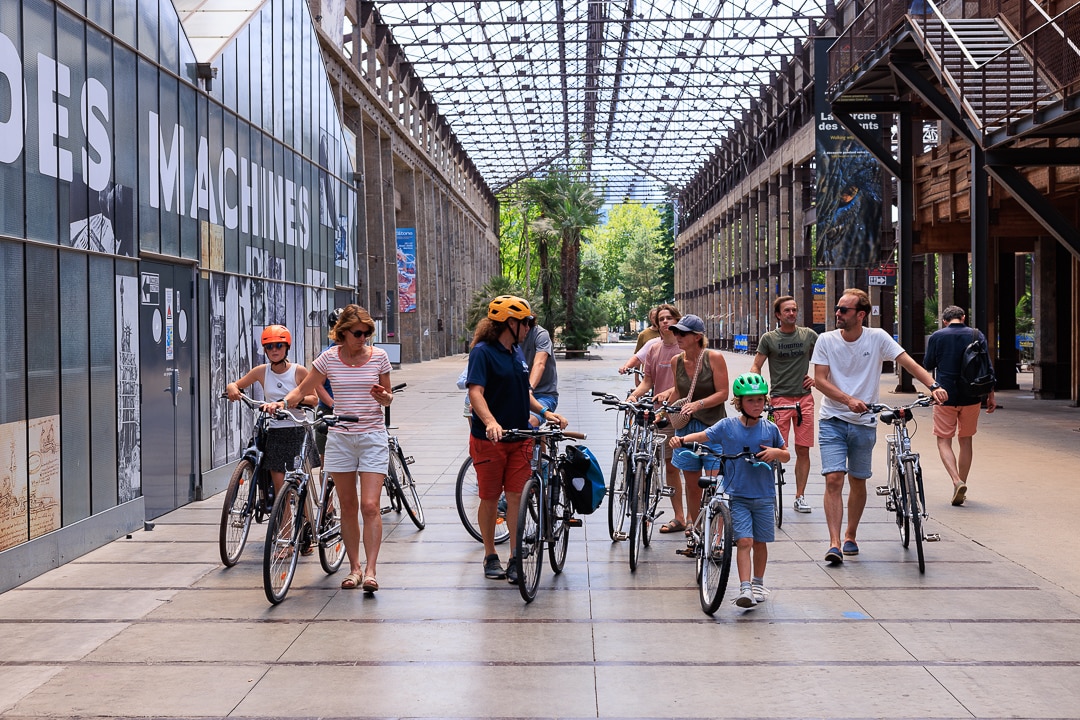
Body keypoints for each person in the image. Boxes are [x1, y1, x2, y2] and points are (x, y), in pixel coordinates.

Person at [811, 288, 948, 564]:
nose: (837, 313)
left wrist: (933, 386)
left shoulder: (877, 338)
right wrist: (848, 400)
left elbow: (908, 363)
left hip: (864, 422)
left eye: (844, 310)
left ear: (861, 315)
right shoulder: (825, 340)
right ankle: (834, 543)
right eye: (838, 309)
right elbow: (821, 380)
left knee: (858, 479)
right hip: (833, 419)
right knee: (834, 479)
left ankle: (851, 535)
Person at [282, 304, 394, 593]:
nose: (364, 338)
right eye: (358, 333)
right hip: (341, 438)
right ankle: (354, 568)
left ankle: (371, 570)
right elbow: (302, 389)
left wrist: (384, 397)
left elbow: (388, 398)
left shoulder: (379, 357)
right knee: (347, 505)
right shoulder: (329, 359)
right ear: (342, 333)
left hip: (371, 436)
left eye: (368, 333)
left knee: (369, 505)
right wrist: (281, 404)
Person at [466, 295, 567, 584]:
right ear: (511, 323)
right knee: (488, 497)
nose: (529, 328)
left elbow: (526, 393)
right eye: (527, 323)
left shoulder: (516, 353)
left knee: (515, 497)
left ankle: (514, 556)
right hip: (490, 441)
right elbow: (475, 392)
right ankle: (490, 555)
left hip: (520, 437)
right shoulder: (482, 352)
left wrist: (547, 413)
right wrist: (491, 422)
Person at [670, 373, 789, 608]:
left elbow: (785, 454)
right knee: (744, 540)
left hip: (764, 496)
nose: (756, 405)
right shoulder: (727, 426)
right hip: (738, 495)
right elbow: (704, 436)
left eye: (759, 400)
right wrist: (682, 441)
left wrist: (776, 453)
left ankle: (757, 582)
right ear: (739, 403)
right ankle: (745, 588)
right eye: (750, 400)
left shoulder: (770, 429)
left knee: (760, 542)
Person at [225, 324, 318, 503]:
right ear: (265, 350)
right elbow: (236, 384)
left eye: (278, 345)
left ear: (286, 347)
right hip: (276, 431)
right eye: (269, 346)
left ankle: (306, 525)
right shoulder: (261, 371)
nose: (274, 350)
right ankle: (283, 529)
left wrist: (289, 403)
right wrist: (232, 388)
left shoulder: (298, 371)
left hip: (298, 429)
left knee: (299, 486)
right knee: (279, 489)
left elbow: (313, 400)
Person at [656, 313, 730, 532]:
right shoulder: (676, 361)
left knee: (715, 482)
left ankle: (716, 535)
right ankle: (695, 529)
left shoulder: (713, 357)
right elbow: (679, 392)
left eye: (683, 333)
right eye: (676, 332)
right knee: (692, 483)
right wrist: (662, 412)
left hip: (712, 427)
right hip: (686, 429)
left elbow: (724, 393)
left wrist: (699, 404)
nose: (677, 336)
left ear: (697, 337)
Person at [922, 305, 997, 506]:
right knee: (966, 439)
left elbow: (928, 364)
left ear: (945, 320)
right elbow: (987, 367)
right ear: (963, 317)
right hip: (972, 395)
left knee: (943, 440)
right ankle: (963, 483)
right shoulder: (976, 334)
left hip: (944, 396)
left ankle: (956, 481)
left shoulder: (937, 336)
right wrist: (990, 395)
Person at [750, 295, 818, 513]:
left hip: (804, 399)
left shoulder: (808, 335)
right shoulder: (769, 338)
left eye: (794, 310)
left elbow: (829, 357)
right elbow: (756, 365)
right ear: (778, 315)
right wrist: (759, 390)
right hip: (778, 400)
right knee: (774, 448)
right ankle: (768, 493)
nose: (792, 313)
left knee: (803, 449)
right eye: (787, 310)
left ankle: (800, 496)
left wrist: (817, 377)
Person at [626, 304, 687, 532]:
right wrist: (634, 395)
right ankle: (679, 517)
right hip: (662, 415)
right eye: (661, 318)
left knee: (688, 468)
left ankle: (691, 518)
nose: (664, 322)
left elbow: (685, 384)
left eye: (669, 318)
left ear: (676, 321)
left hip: (683, 413)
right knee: (669, 466)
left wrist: (669, 394)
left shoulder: (684, 349)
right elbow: (648, 382)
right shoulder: (653, 348)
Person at [521, 320, 559, 427]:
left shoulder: (540, 335)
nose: (526, 328)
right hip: (518, 395)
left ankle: (538, 439)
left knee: (528, 423)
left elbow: (539, 363)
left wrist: (529, 389)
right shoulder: (507, 341)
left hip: (543, 394)